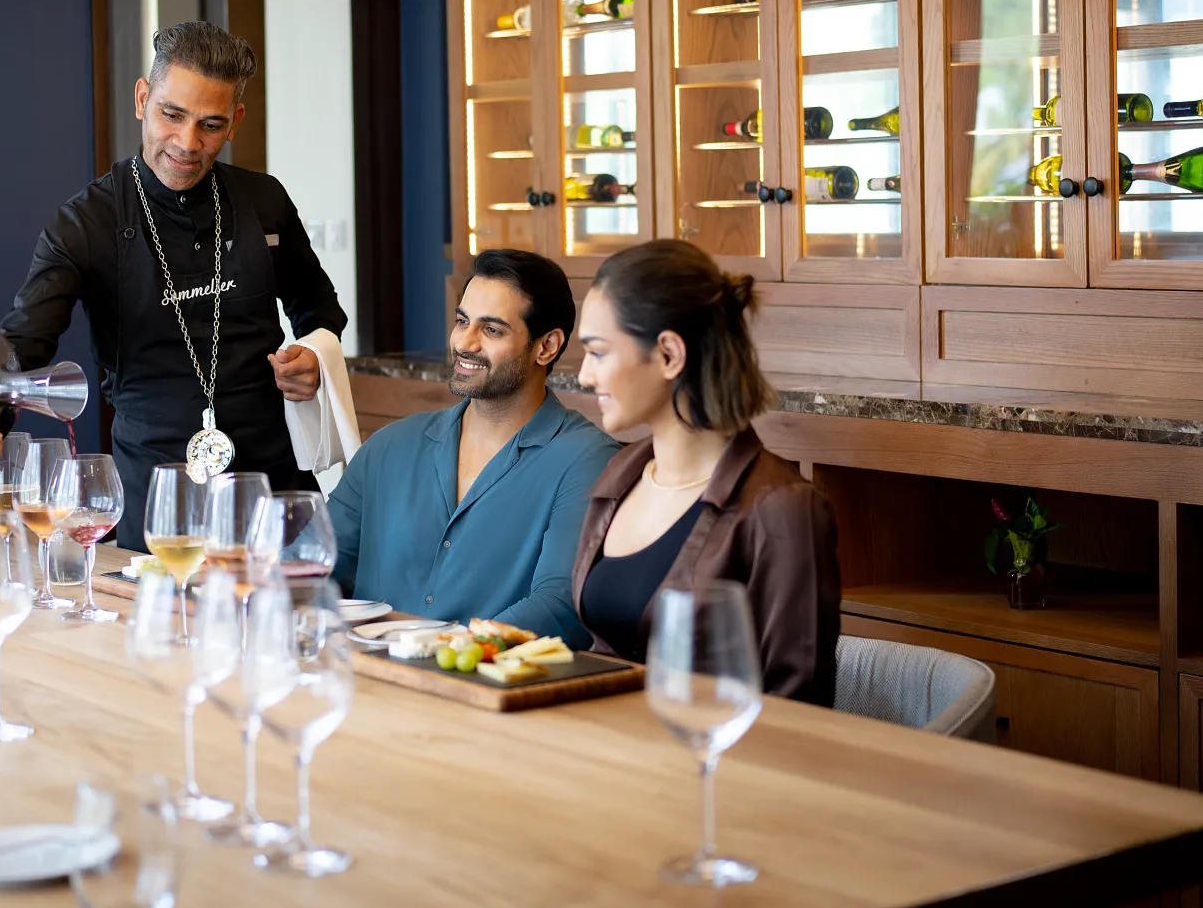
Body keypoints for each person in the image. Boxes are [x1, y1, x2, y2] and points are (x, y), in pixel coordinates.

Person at [0, 20, 347, 550]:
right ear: (143, 99)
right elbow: (25, 344)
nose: (187, 143)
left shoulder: (265, 200)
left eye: (210, 125)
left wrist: (312, 355)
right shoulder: (84, 223)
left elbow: (320, 309)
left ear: (235, 122)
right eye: (172, 115)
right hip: (157, 492)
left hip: (275, 486)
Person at [568, 239, 838, 704]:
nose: (584, 376)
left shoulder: (784, 509)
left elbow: (797, 703)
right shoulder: (621, 473)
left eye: (598, 353)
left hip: (712, 746)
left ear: (669, 354)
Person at [327, 250, 618, 644]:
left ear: (546, 346)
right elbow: (313, 568)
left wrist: (444, 650)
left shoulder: (588, 460)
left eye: (491, 330)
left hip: (485, 678)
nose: (464, 343)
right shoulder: (388, 447)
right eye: (462, 321)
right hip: (366, 674)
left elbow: (559, 605)